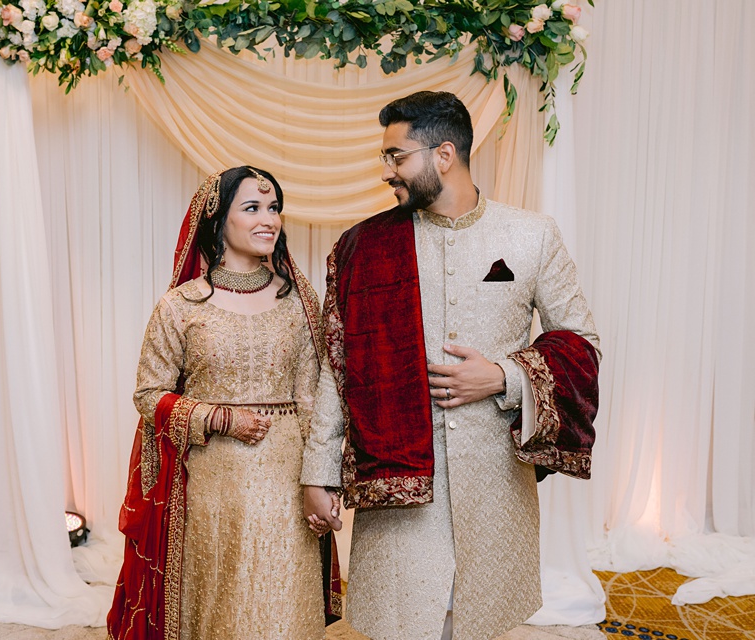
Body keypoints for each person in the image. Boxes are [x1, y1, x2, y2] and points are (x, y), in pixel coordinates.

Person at [301, 91, 601, 640]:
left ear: (443, 154)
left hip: (495, 482)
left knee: (479, 621)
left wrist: (506, 377)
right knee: (401, 622)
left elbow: (581, 343)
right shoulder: (362, 247)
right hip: (396, 480)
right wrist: (318, 472)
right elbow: (335, 367)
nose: (387, 171)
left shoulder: (531, 235)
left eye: (397, 156)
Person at [107, 166, 341, 640]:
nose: (268, 219)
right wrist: (218, 417)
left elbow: (315, 398)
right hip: (210, 484)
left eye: (273, 208)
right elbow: (148, 394)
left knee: (283, 605)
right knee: (222, 604)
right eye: (252, 207)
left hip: (285, 481)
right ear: (218, 221)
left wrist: (322, 479)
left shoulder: (298, 300)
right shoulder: (181, 305)